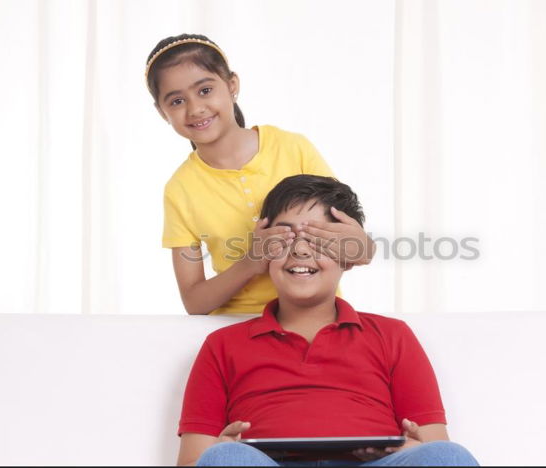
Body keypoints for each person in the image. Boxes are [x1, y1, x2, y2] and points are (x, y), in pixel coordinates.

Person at [176, 175, 479, 466]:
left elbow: (435, 443)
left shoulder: (392, 335)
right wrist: (219, 452)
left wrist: (418, 445)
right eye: (286, 236)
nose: (301, 249)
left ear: (349, 254)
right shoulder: (222, 345)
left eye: (318, 238)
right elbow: (190, 465)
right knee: (225, 458)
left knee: (445, 455)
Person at [145, 34, 375, 315]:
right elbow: (194, 302)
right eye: (177, 101)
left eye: (205, 90)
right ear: (161, 112)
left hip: (316, 317)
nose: (195, 108)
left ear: (232, 85)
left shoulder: (293, 148)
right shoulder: (180, 189)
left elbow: (358, 250)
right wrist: (250, 262)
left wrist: (360, 247)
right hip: (239, 329)